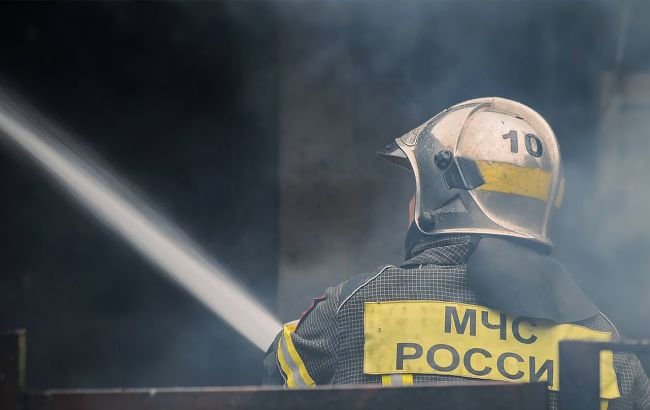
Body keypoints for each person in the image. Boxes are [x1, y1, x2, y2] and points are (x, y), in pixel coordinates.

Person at [263, 97, 650, 410]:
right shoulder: (606, 343)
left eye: (416, 189)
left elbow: (272, 380)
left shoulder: (351, 309)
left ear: (440, 196)